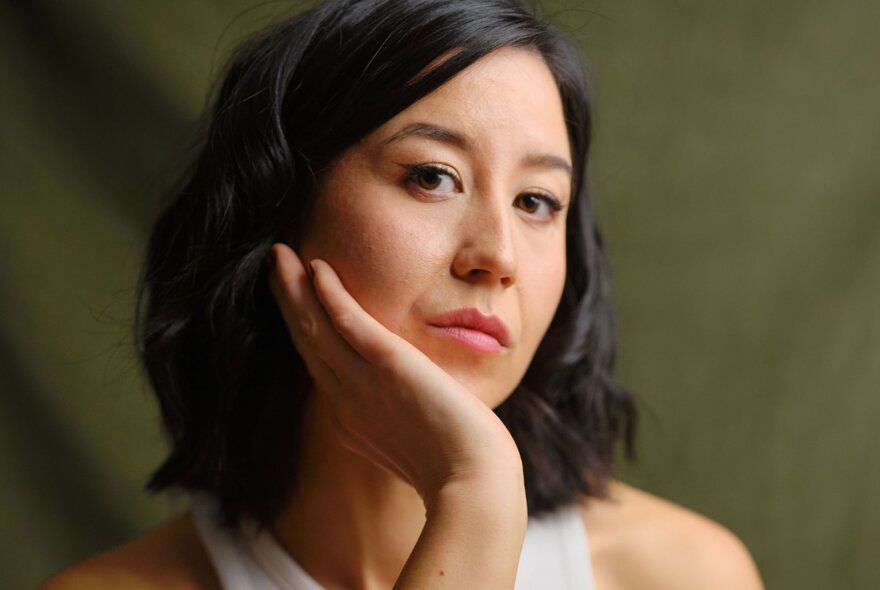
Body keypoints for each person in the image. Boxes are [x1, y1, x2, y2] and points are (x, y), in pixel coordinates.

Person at [42, 0, 764, 588]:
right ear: (279, 207)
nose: (498, 257)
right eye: (432, 176)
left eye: (537, 201)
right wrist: (473, 499)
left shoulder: (680, 574)